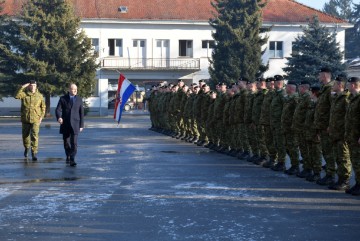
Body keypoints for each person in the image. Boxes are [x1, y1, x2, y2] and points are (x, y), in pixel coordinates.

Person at [15, 80, 46, 161]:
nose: (33, 87)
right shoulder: (24, 94)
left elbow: (43, 107)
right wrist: (22, 87)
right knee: (25, 136)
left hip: (36, 119)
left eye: (34, 85)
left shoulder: (39, 96)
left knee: (35, 136)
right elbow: (16, 96)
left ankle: (34, 153)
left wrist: (41, 117)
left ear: (36, 86)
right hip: (25, 118)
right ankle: (26, 147)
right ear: (29, 86)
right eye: (31, 85)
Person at [56, 83, 84, 166]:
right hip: (65, 124)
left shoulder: (79, 99)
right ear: (69, 89)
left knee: (74, 143)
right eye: (73, 89)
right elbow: (58, 109)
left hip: (75, 124)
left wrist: (81, 125)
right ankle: (68, 154)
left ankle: (72, 158)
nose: (75, 90)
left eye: (76, 89)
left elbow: (81, 113)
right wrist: (59, 117)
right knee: (66, 142)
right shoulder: (63, 99)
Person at [344, 77, 360, 195]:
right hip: (351, 136)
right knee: (355, 161)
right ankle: (358, 184)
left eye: (348, 84)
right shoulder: (352, 98)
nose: (346, 86)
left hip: (357, 136)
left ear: (353, 85)